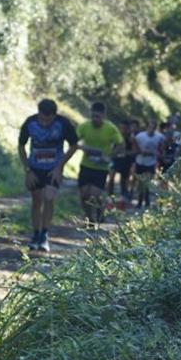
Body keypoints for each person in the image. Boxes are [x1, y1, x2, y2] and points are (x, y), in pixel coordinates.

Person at [18, 99, 79, 252]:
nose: (45, 122)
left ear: (54, 115)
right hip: (35, 168)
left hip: (54, 168)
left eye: (48, 119)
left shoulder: (63, 123)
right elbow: (21, 145)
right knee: (36, 201)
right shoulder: (30, 123)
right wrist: (27, 170)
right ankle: (35, 234)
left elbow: (74, 145)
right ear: (38, 113)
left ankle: (45, 234)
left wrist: (60, 167)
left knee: (49, 197)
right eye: (42, 119)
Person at [75, 102, 124, 229]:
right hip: (86, 165)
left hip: (101, 167)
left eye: (98, 116)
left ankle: (100, 210)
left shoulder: (110, 128)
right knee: (84, 194)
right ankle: (90, 218)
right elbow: (74, 141)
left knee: (94, 194)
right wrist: (82, 147)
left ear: (103, 115)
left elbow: (121, 145)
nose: (96, 119)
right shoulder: (85, 126)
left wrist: (110, 155)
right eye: (93, 116)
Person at [133, 119, 164, 209]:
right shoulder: (140, 136)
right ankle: (140, 201)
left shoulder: (160, 137)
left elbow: (162, 147)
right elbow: (134, 147)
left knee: (146, 182)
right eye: (150, 127)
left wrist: (158, 153)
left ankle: (146, 201)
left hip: (151, 163)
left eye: (154, 127)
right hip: (140, 161)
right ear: (147, 127)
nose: (152, 129)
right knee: (140, 183)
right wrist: (140, 151)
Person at [107, 119, 137, 211]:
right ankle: (110, 199)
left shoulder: (131, 138)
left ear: (128, 129)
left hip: (125, 161)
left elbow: (135, 150)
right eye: (121, 128)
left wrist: (126, 153)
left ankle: (122, 201)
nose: (123, 130)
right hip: (115, 160)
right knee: (111, 178)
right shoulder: (115, 136)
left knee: (123, 182)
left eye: (125, 128)